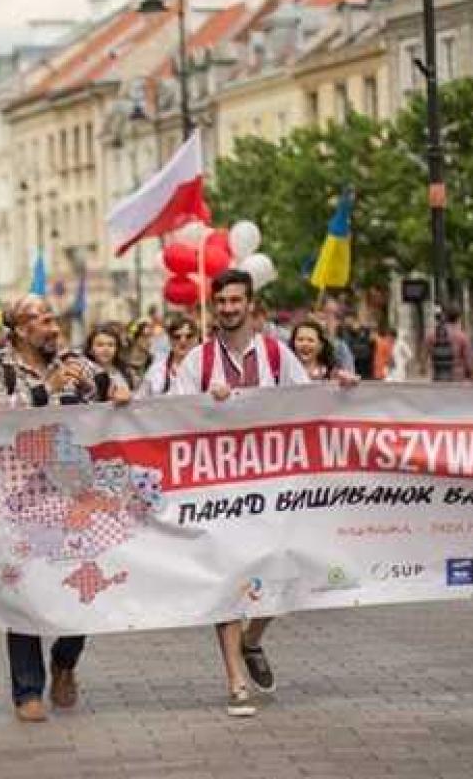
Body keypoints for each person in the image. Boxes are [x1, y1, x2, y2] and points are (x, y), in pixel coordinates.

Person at [0, 293, 131, 722]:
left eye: (52, 317)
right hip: (20, 500)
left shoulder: (76, 361)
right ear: (20, 329)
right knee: (22, 592)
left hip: (72, 497)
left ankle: (65, 659)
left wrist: (115, 390)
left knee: (83, 583)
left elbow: (111, 390)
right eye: (41, 319)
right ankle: (27, 689)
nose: (52, 326)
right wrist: (48, 390)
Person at [171, 270, 313, 717]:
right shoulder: (198, 361)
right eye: (223, 302)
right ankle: (235, 678)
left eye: (237, 300)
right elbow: (171, 415)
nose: (229, 308)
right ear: (214, 306)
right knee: (227, 579)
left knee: (287, 566)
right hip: (218, 487)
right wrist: (201, 405)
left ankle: (253, 640)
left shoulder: (276, 355)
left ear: (251, 304)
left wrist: (342, 391)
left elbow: (311, 403)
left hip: (272, 487)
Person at [137, 315, 198, 398]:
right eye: (177, 337)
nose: (183, 341)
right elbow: (139, 401)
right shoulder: (156, 370)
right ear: (170, 339)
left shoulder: (206, 369)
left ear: (196, 339)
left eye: (189, 336)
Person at [423, 306, 473, 381]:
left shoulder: (431, 335)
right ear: (458, 318)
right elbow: (469, 361)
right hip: (457, 378)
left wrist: (424, 369)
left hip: (438, 378)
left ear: (445, 316)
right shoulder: (462, 337)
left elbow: (424, 358)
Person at [84, 323, 133, 394]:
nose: (106, 349)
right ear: (90, 349)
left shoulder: (125, 371)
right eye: (100, 345)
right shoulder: (86, 372)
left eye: (111, 345)